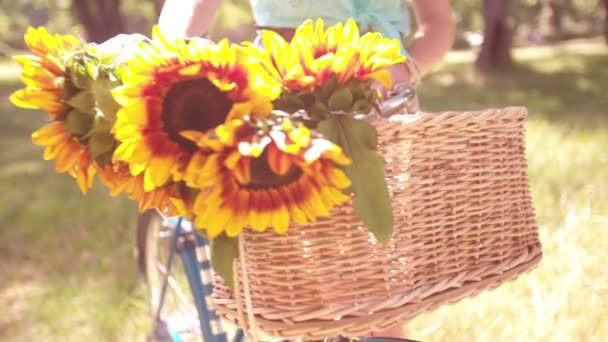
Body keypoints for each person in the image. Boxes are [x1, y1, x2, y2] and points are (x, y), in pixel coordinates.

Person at [157, 0, 454, 339]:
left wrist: (404, 70)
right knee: (313, 292)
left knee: (379, 285)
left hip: (384, 112)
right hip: (289, 113)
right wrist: (167, 57)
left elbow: (437, 21)